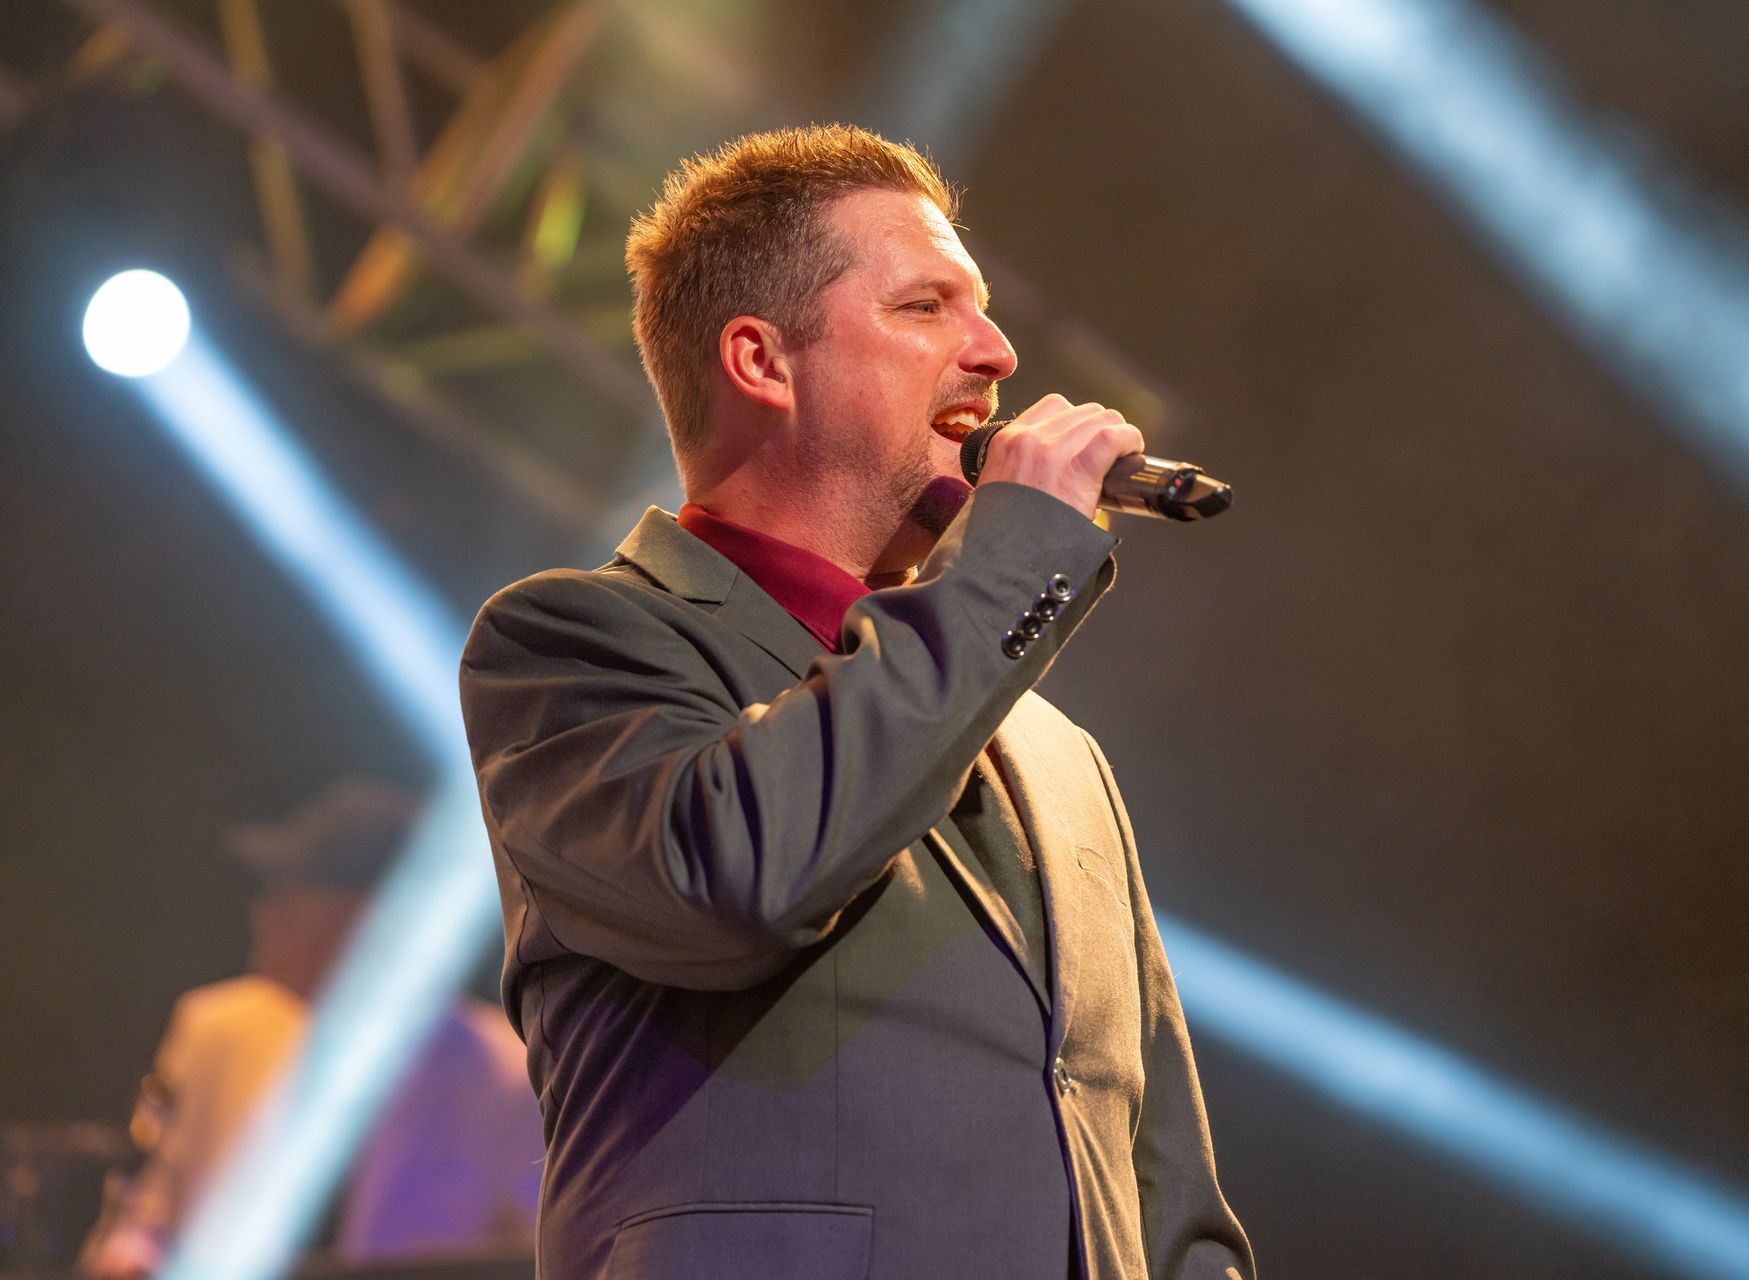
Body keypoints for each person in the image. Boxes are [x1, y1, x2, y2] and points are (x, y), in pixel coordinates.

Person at [459, 124, 1255, 1280]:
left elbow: (1160, 1176)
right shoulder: (575, 641)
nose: (996, 351)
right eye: (926, 306)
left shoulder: (1053, 748)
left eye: (979, 308)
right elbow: (735, 877)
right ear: (761, 361)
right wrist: (1013, 559)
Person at [79, 779, 543, 1278]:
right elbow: (145, 1222)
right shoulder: (213, 1030)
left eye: (291, 898)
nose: (264, 915)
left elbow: (539, 1251)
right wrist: (129, 1258)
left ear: (364, 922)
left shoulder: (508, 1071)